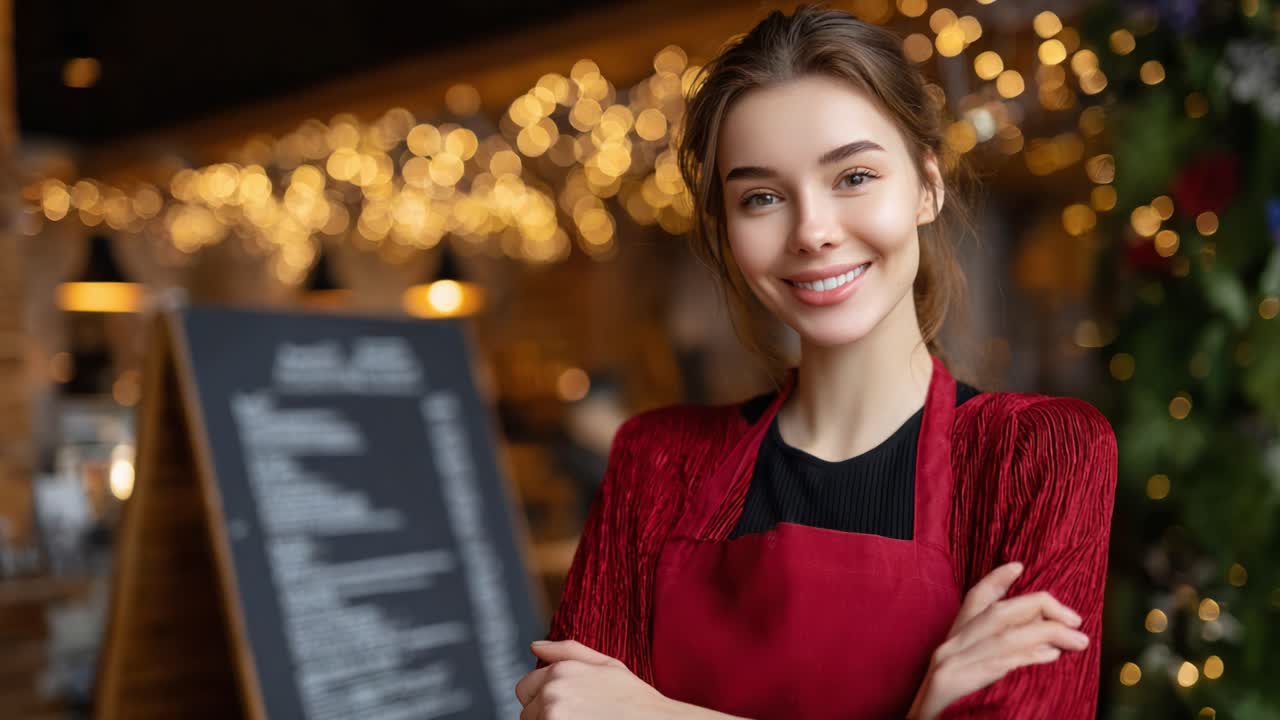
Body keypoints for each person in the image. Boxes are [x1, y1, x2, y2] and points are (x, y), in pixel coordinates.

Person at [515, 6, 1118, 719]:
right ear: (726, 230)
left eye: (854, 176)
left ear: (927, 184)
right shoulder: (655, 463)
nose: (813, 231)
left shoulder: (1039, 454)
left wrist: (660, 713)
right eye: (762, 197)